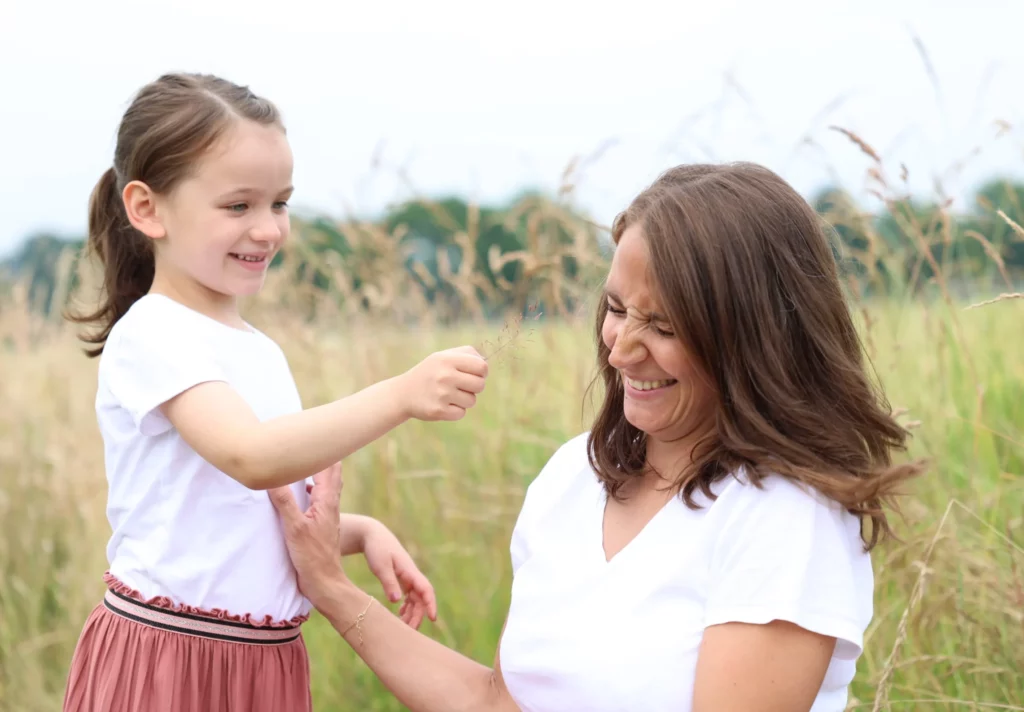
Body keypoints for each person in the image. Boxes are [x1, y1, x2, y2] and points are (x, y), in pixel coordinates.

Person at [268, 162, 926, 712]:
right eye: (615, 310)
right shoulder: (571, 477)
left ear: (750, 340)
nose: (621, 349)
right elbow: (496, 703)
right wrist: (330, 584)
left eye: (663, 326)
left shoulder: (785, 517)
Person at [61, 72, 489, 712]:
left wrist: (361, 530)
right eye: (239, 206)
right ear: (147, 209)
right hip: (173, 658)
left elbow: (244, 517)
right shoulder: (153, 332)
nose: (268, 229)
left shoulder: (258, 350)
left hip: (264, 662)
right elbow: (252, 458)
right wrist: (401, 394)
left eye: (279, 203)